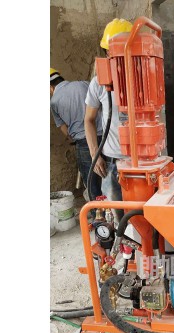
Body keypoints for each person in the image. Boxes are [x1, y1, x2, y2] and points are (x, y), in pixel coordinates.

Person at [84, 18, 133, 223]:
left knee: (142, 216)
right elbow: (89, 120)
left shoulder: (145, 76)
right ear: (106, 52)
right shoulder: (99, 83)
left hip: (141, 162)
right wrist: (95, 154)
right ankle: (122, 242)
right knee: (118, 217)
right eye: (110, 51)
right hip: (112, 162)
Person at [50, 68, 103, 208]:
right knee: (110, 177)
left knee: (91, 182)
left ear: (50, 87)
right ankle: (116, 212)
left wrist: (72, 137)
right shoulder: (83, 84)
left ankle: (98, 214)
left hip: (84, 142)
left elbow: (64, 129)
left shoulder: (54, 101)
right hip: (105, 137)